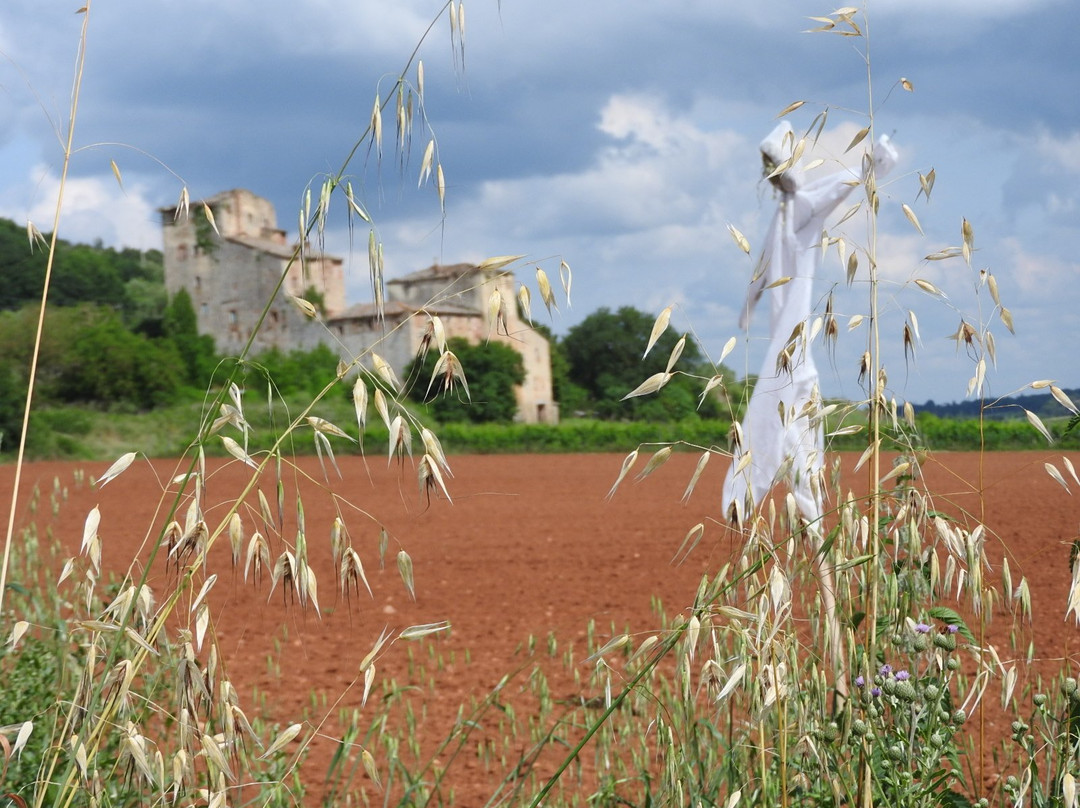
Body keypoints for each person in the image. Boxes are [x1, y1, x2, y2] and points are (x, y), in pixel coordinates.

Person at [722, 121, 898, 526]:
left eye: (777, 166)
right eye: (772, 169)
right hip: (785, 341)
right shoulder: (783, 213)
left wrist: (873, 163)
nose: (776, 175)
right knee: (780, 418)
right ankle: (765, 502)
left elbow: (841, 184)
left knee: (777, 417)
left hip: (793, 336)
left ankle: (752, 499)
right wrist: (748, 309)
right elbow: (762, 265)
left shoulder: (802, 204)